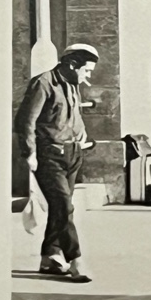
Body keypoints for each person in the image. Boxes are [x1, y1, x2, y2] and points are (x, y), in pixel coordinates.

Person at [13, 43, 99, 283]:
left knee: (61, 207)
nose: (88, 76)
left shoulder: (73, 84)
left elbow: (73, 115)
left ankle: (50, 256)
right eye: (86, 71)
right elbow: (25, 121)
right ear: (72, 65)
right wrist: (29, 153)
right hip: (48, 155)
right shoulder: (43, 84)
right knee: (64, 207)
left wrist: (81, 135)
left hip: (72, 154)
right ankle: (76, 261)